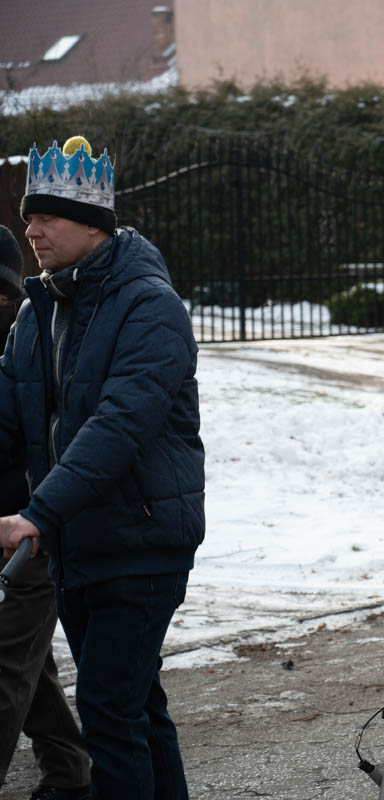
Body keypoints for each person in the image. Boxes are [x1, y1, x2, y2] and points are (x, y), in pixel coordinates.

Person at [0, 136, 205, 797]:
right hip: (78, 545)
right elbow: (8, 419)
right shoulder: (38, 311)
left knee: (110, 710)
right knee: (136, 704)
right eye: (29, 217)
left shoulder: (149, 305)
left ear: (92, 224)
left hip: (141, 541)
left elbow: (118, 428)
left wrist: (39, 511)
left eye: (46, 218)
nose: (31, 231)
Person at [0, 224, 91, 800]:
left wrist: (42, 514)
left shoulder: (34, 334)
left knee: (6, 661)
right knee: (25, 660)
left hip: (33, 526)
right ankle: (69, 770)